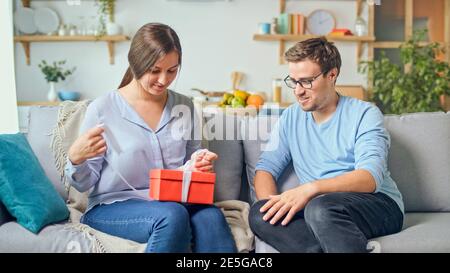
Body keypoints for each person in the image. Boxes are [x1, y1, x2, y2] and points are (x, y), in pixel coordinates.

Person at [65, 23, 237, 253]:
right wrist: (75, 159)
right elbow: (84, 183)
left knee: (211, 217)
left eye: (172, 70)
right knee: (171, 215)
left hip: (174, 201)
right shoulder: (103, 109)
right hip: (113, 207)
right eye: (155, 70)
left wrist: (198, 165)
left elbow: (191, 164)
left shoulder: (184, 106)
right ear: (136, 63)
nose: (164, 80)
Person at [248, 37, 404, 253]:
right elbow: (266, 169)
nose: (298, 91)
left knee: (320, 207)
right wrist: (273, 205)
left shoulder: (365, 113)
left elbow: (370, 178)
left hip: (377, 204)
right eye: (293, 81)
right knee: (259, 213)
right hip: (320, 210)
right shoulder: (290, 117)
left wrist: (310, 189)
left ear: (332, 75)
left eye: (306, 81)